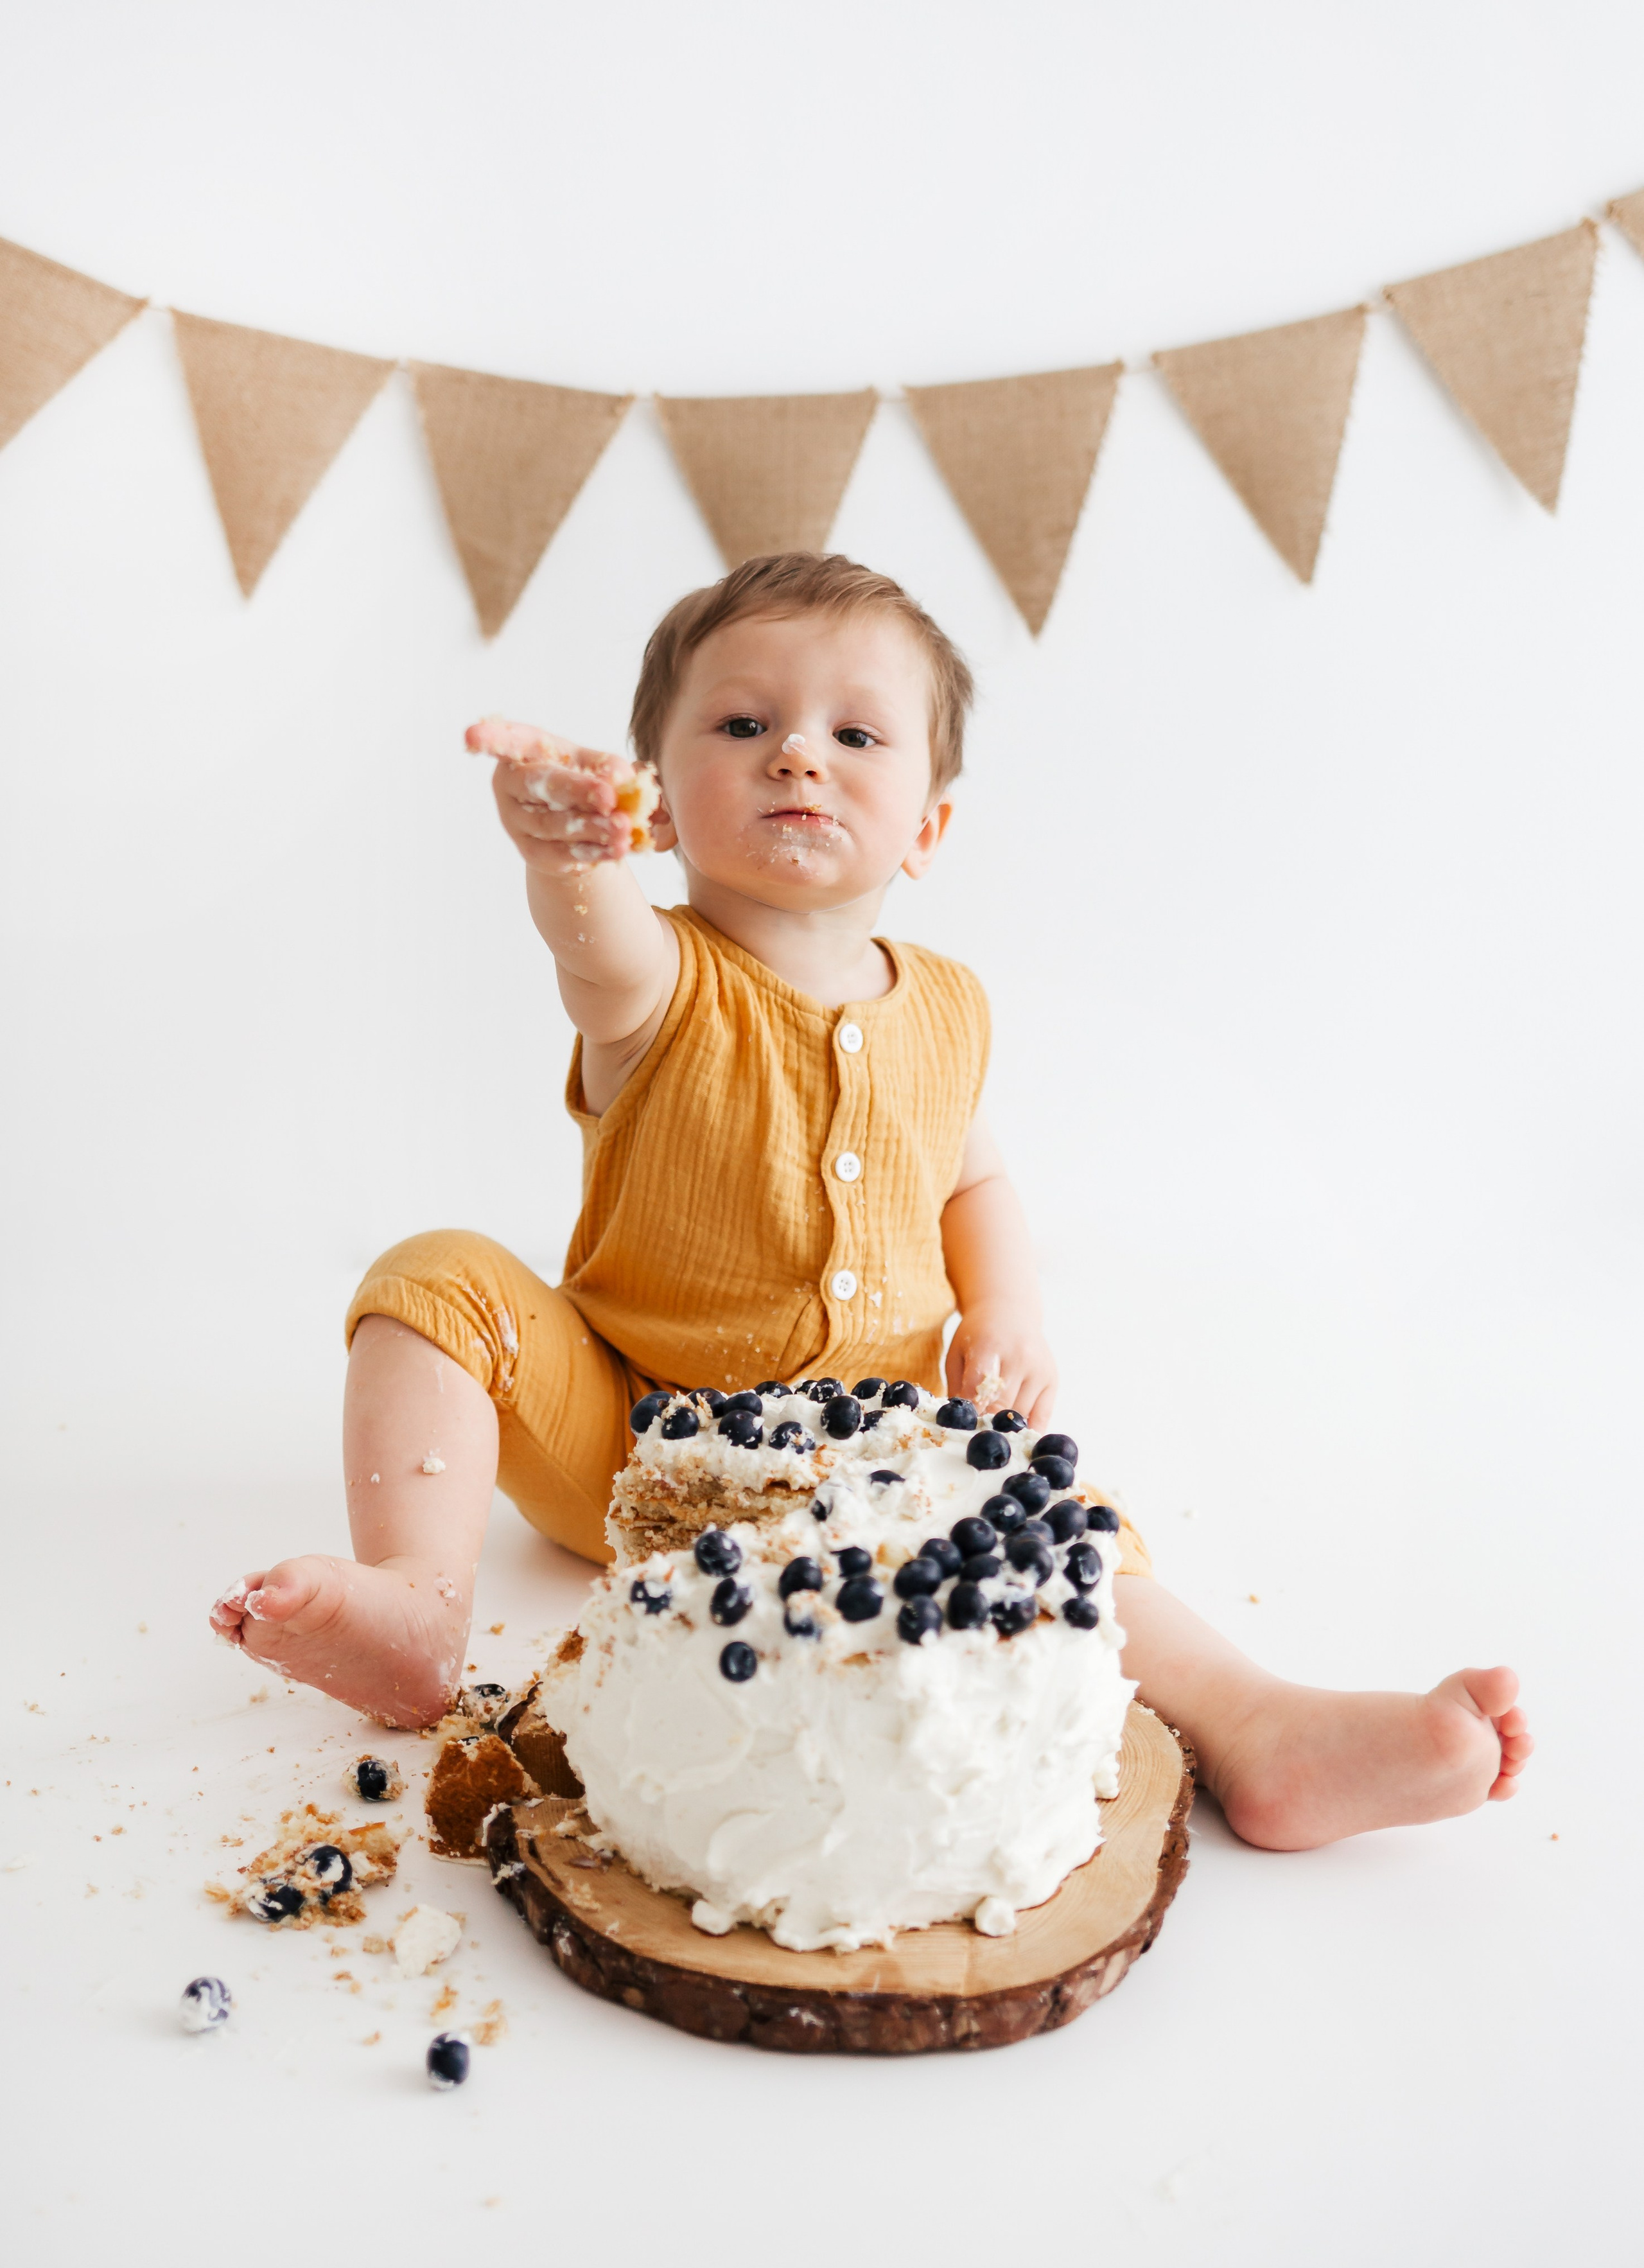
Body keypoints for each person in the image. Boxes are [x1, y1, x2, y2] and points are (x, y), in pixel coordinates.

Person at [210, 552, 1531, 1849]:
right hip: (628, 1444)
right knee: (432, 1273)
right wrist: (565, 850)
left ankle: (1261, 1729)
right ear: (659, 803)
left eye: (852, 732)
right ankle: (415, 1603)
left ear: (929, 824)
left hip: (887, 1460)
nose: (795, 754)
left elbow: (971, 1168)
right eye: (742, 724)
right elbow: (589, 933)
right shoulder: (656, 982)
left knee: (1063, 1524)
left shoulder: (949, 1008)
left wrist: (1005, 1303)